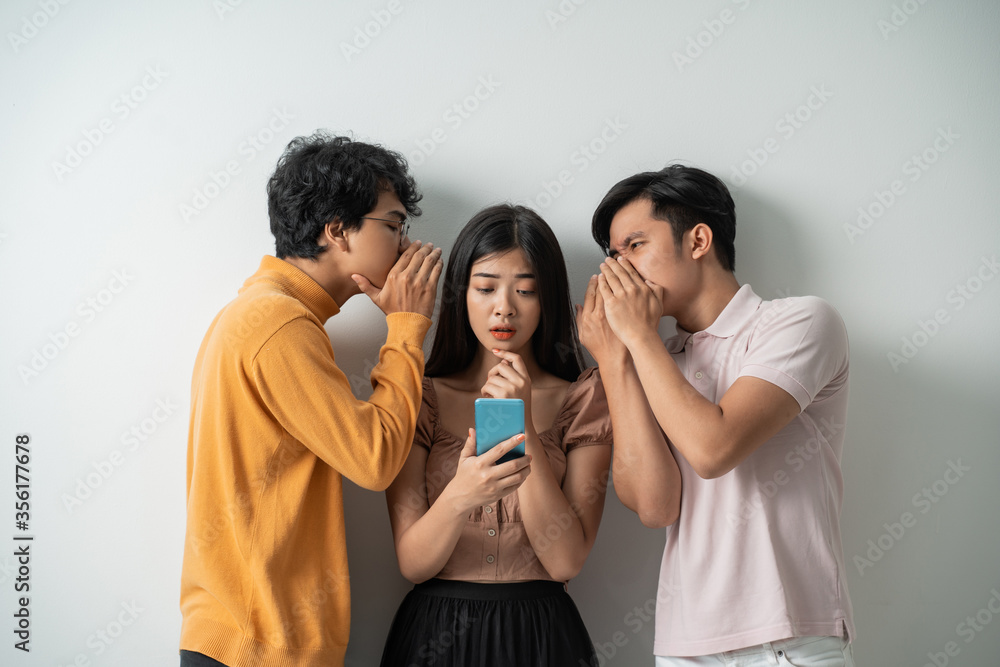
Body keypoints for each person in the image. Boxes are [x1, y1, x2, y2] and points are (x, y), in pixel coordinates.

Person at [178, 132, 443, 667]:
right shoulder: (279, 324)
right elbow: (374, 460)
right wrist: (407, 327)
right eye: (392, 225)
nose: (405, 245)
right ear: (338, 231)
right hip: (260, 644)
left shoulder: (264, 314)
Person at [576, 165, 856, 666]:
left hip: (789, 639)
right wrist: (617, 360)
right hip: (687, 646)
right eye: (612, 256)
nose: (617, 272)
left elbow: (713, 449)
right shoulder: (653, 360)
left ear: (699, 240)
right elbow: (655, 507)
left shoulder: (799, 322)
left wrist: (638, 339)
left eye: (635, 246)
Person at [380, 204, 612, 666]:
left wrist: (520, 418)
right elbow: (413, 562)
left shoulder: (582, 397)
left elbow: (566, 561)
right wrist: (460, 494)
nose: (504, 307)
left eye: (525, 290)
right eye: (485, 288)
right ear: (460, 294)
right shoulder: (419, 396)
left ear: (547, 299)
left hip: (541, 635)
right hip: (436, 633)